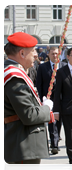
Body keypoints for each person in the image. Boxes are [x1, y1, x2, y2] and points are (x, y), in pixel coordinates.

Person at [4, 32, 55, 170]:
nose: (36, 54)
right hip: (22, 146)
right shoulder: (14, 76)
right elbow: (29, 115)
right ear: (21, 53)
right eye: (32, 51)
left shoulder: (15, 73)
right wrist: (46, 108)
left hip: (21, 145)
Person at [36, 46, 67, 155]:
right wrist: (40, 99)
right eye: (52, 53)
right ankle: (54, 144)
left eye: (56, 53)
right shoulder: (42, 67)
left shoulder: (64, 66)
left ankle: (56, 138)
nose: (55, 56)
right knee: (52, 121)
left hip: (61, 98)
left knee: (59, 121)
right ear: (48, 54)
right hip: (49, 98)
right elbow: (39, 84)